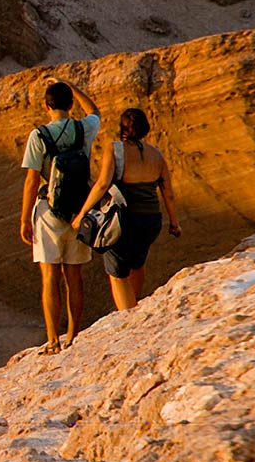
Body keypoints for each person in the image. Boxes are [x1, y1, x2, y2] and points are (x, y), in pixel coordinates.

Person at [71, 107, 182, 310]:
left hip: (123, 221)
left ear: (122, 128)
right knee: (137, 264)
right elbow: (168, 193)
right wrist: (174, 223)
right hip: (151, 221)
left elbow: (103, 184)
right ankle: (135, 307)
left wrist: (82, 214)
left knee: (117, 274)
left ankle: (128, 316)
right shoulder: (156, 154)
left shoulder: (115, 149)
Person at [18, 80, 100, 353]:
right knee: (74, 275)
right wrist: (75, 87)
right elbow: (95, 111)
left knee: (49, 277)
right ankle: (72, 337)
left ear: (46, 105)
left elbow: (31, 181)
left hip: (49, 211)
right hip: (79, 209)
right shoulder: (83, 128)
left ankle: (53, 340)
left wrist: (23, 220)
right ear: (71, 104)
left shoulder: (39, 136)